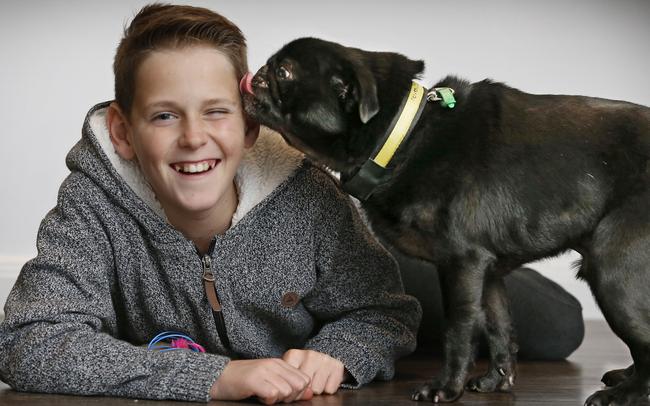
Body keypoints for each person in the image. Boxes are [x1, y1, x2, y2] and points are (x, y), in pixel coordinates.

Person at [0, 3, 584, 405]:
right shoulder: (92, 205)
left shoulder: (304, 197)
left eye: (216, 110)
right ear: (124, 133)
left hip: (350, 258)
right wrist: (215, 377)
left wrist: (342, 350)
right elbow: (28, 343)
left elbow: (385, 313)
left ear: (252, 124)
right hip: (278, 315)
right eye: (163, 115)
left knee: (556, 329)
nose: (193, 138)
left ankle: (450, 252)